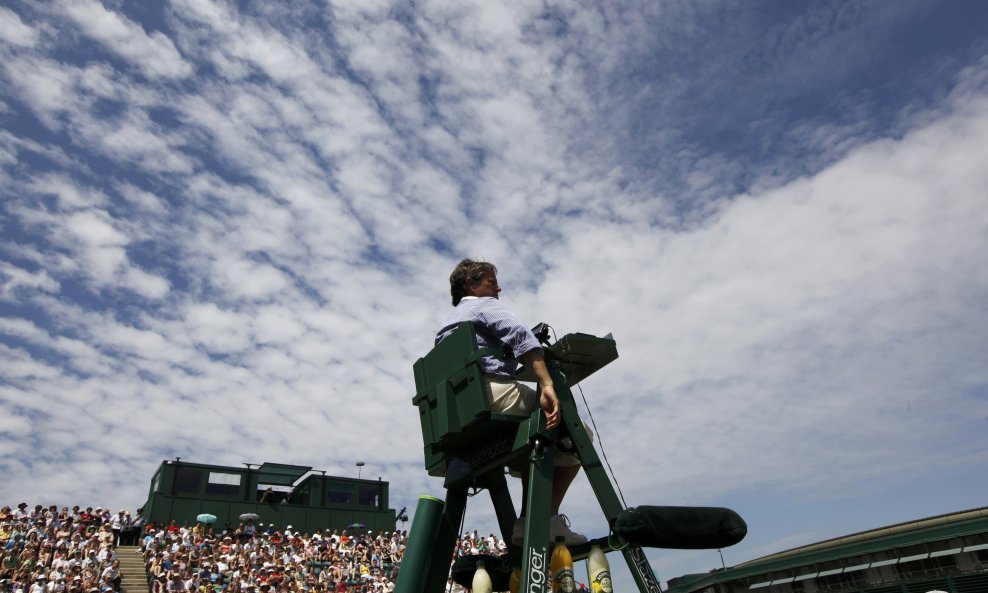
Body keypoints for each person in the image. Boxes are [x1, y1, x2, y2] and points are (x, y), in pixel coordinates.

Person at [435, 259, 587, 545]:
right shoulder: (483, 305)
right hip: (490, 396)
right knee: (577, 430)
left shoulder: (446, 325)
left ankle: (527, 521)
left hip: (458, 415)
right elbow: (521, 335)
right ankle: (546, 518)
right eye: (492, 282)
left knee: (537, 433)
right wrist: (546, 383)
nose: (499, 288)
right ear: (472, 285)